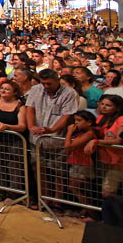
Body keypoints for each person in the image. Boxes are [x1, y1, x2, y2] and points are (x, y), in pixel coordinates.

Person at [26, 69, 78, 211]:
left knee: (58, 171)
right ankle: (44, 197)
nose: (46, 87)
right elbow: (29, 109)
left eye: (49, 83)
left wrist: (52, 130)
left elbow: (66, 116)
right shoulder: (36, 89)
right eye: (43, 83)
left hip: (57, 140)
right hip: (36, 139)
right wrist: (31, 126)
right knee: (38, 169)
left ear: (57, 80)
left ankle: (57, 200)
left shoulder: (69, 93)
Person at [65, 110, 98, 221]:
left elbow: (68, 146)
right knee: (84, 189)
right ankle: (87, 210)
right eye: (75, 120)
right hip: (77, 163)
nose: (76, 123)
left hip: (83, 164)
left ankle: (91, 212)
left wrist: (69, 132)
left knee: (74, 188)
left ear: (89, 122)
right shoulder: (82, 133)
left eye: (79, 120)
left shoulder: (88, 134)